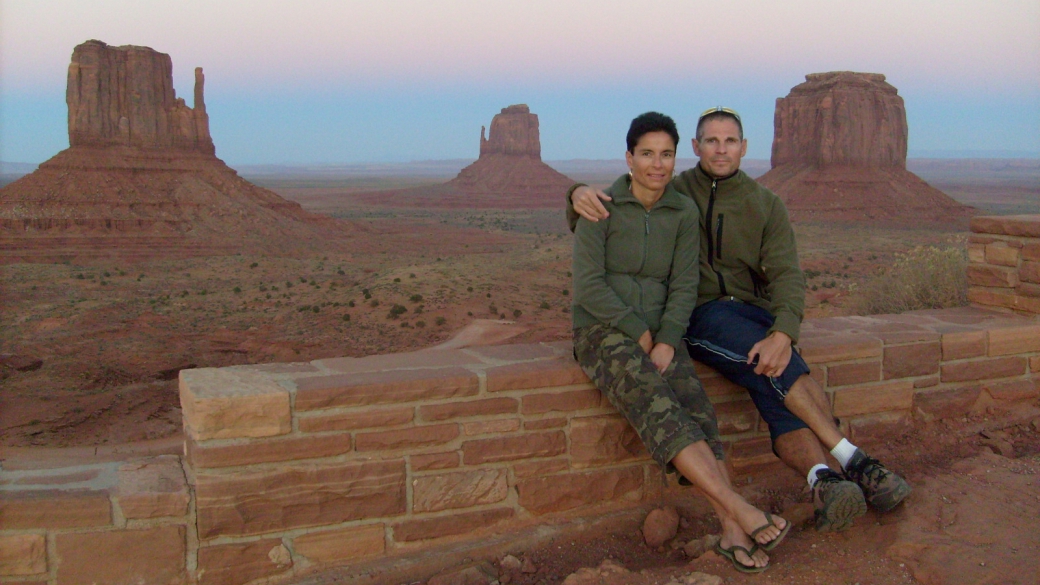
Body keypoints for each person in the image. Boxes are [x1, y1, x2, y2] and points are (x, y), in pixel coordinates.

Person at [569, 107, 910, 533]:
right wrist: (575, 192)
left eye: (730, 141)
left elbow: (787, 275)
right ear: (695, 148)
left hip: (753, 314)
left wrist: (784, 330)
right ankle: (854, 459)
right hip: (705, 312)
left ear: (744, 147)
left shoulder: (765, 204)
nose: (721, 149)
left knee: (774, 375)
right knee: (776, 364)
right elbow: (620, 204)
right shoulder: (674, 192)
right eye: (711, 141)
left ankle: (822, 481)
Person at [572, 111, 789, 574]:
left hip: (663, 335)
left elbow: (685, 284)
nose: (657, 164)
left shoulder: (682, 212)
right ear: (629, 157)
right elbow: (589, 287)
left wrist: (669, 338)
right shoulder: (600, 206)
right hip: (603, 332)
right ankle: (740, 509)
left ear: (676, 157)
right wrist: (642, 333)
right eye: (647, 153)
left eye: (666, 154)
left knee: (698, 411)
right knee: (658, 407)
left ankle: (731, 533)